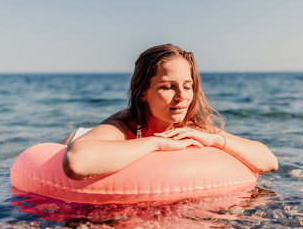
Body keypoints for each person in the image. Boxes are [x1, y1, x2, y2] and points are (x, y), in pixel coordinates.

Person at [62, 44, 278, 180]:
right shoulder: (124, 124)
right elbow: (77, 162)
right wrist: (158, 143)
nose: (182, 96)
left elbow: (269, 162)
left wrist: (215, 140)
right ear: (143, 92)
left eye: (187, 85)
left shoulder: (190, 127)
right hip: (88, 139)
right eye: (167, 86)